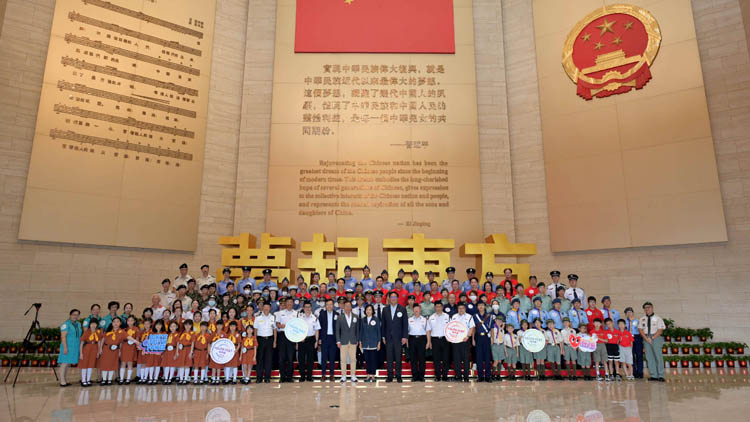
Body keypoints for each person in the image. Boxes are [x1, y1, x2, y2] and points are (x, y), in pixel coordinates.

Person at [381, 291, 408, 382]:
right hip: (388, 337)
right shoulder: (385, 309)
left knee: (398, 357)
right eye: (391, 297)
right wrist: (383, 336)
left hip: (399, 337)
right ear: (389, 299)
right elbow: (383, 324)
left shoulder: (402, 309)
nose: (393, 299)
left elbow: (405, 324)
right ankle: (390, 376)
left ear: (397, 298)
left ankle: (398, 375)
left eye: (395, 297)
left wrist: (405, 336)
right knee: (389, 357)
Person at [638, 301, 666, 382]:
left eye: (648, 307)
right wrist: (646, 338)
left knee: (658, 357)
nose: (647, 309)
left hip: (656, 338)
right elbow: (640, 329)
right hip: (646, 338)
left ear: (652, 308)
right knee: (649, 357)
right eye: (645, 308)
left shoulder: (658, 318)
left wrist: (652, 337)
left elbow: (660, 330)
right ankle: (654, 375)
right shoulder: (642, 319)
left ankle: (661, 375)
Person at [450, 302, 475, 382]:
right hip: (456, 341)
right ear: (457, 309)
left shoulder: (469, 317)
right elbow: (450, 327)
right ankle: (458, 376)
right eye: (459, 308)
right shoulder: (454, 316)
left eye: (462, 308)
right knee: (456, 359)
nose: (461, 310)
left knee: (466, 359)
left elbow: (472, 328)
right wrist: (451, 337)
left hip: (465, 341)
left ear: (465, 309)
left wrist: (468, 336)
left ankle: (466, 377)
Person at [336, 300, 360, 383]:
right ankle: (343, 376)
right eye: (346, 306)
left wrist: (357, 339)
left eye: (349, 306)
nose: (347, 307)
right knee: (343, 359)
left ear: (351, 307)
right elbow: (337, 330)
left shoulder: (356, 317)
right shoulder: (340, 317)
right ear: (343, 307)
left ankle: (353, 375)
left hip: (353, 341)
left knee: (353, 359)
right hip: (343, 341)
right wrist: (338, 341)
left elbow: (357, 329)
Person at [426, 301, 450, 381]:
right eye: (437, 307)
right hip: (435, 340)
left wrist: (450, 338)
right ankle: (437, 376)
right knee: (436, 359)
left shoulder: (447, 316)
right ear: (435, 308)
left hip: (445, 339)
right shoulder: (431, 317)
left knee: (446, 358)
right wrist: (429, 342)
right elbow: (428, 330)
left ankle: (445, 376)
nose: (438, 308)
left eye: (440, 306)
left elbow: (450, 328)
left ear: (442, 307)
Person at [275, 297, 297, 382]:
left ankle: (290, 377)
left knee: (290, 358)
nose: (289, 304)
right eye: (288, 302)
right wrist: (280, 325)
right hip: (282, 336)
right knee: (282, 358)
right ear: (285, 303)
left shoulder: (296, 313)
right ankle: (282, 377)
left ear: (293, 304)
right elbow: (277, 324)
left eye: (291, 302)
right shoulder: (280, 313)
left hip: (292, 336)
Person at [57, 308, 81, 387]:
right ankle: (62, 381)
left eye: (77, 315)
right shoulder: (66, 324)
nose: (75, 316)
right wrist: (65, 347)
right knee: (64, 363)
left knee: (68, 364)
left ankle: (65, 380)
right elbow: (63, 336)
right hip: (67, 346)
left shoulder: (78, 324)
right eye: (74, 314)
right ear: (70, 315)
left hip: (75, 347)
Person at [298, 301, 321, 382]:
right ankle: (302, 376)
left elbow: (317, 330)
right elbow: (297, 330)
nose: (307, 309)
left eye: (309, 307)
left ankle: (309, 376)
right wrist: (299, 339)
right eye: (306, 307)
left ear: (311, 308)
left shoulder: (315, 318)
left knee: (310, 359)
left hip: (311, 340)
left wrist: (316, 341)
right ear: (303, 308)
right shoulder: (300, 318)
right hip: (301, 340)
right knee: (301, 359)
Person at [255, 303, 276, 383]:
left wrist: (275, 341)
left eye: (268, 307)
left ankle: (267, 377)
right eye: (265, 307)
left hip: (269, 339)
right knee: (259, 359)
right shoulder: (258, 318)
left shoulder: (273, 317)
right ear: (262, 308)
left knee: (268, 359)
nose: (266, 309)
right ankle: (259, 377)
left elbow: (274, 330)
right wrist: (255, 341)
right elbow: (255, 330)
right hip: (260, 340)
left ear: (270, 308)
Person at [359, 304, 381, 382]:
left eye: (370, 310)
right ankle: (368, 375)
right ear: (365, 311)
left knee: (373, 360)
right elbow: (361, 331)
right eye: (367, 310)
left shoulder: (376, 319)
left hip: (373, 343)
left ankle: (373, 376)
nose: (368, 311)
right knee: (367, 360)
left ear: (372, 311)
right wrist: (360, 341)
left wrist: (379, 343)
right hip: (365, 343)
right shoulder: (363, 320)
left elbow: (378, 332)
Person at [473, 301, 493, 382]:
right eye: (479, 305)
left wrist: (492, 339)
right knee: (479, 357)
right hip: (478, 337)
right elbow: (473, 328)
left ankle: (488, 376)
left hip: (486, 337)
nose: (481, 307)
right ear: (477, 307)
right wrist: (473, 339)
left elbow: (492, 328)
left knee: (488, 357)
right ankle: (480, 376)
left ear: (485, 306)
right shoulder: (475, 316)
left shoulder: (489, 316)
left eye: (482, 305)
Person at [318, 298, 338, 381]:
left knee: (332, 357)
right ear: (325, 306)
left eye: (331, 304)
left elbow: (338, 328)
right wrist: (319, 338)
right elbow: (319, 327)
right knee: (324, 357)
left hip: (333, 338)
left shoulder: (337, 314)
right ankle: (323, 374)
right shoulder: (322, 314)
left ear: (333, 305)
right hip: (324, 338)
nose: (329, 306)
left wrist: (338, 339)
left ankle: (332, 374)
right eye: (327, 304)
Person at [407, 303, 428, 382]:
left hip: (422, 339)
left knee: (422, 358)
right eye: (415, 309)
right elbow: (407, 332)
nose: (416, 311)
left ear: (420, 310)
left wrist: (428, 342)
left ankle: (421, 376)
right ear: (413, 310)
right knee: (413, 359)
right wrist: (407, 342)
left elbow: (428, 331)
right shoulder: (409, 320)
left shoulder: (424, 320)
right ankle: (414, 376)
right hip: (412, 339)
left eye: (418, 309)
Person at [79, 318, 101, 387]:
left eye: (95, 324)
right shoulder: (87, 332)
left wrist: (98, 351)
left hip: (94, 349)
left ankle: (88, 380)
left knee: (91, 365)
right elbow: (82, 343)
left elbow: (99, 342)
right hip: (87, 348)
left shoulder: (98, 332)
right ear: (90, 324)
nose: (93, 325)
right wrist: (81, 353)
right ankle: (83, 380)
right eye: (92, 324)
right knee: (84, 364)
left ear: (97, 325)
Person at [624, 306, 644, 378]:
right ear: (625, 314)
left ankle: (640, 372)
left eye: (630, 312)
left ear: (633, 313)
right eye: (627, 312)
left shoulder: (637, 321)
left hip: (637, 337)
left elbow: (641, 330)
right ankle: (634, 372)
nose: (629, 314)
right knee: (631, 356)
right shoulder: (624, 322)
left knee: (639, 355)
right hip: (628, 339)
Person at [119, 315, 139, 384]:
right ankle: (121, 379)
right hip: (124, 347)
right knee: (123, 363)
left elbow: (137, 339)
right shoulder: (124, 330)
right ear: (127, 322)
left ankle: (128, 379)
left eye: (132, 320)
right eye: (128, 320)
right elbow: (121, 340)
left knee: (130, 363)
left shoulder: (136, 329)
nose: (130, 322)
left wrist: (137, 346)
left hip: (132, 348)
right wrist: (120, 350)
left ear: (134, 321)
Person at [175, 320, 195, 384]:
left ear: (191, 326)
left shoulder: (192, 333)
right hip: (181, 350)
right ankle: (181, 379)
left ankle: (185, 379)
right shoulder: (181, 333)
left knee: (187, 365)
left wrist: (191, 352)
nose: (187, 326)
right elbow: (178, 342)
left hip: (188, 349)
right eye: (186, 325)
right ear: (184, 325)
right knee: (181, 365)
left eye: (189, 325)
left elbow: (193, 343)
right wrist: (177, 351)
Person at [490, 315, 506, 381]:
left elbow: (503, 339)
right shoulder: (493, 328)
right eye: (498, 321)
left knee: (500, 360)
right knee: (496, 360)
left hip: (501, 345)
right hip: (495, 345)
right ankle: (493, 375)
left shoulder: (502, 330)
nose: (499, 322)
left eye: (501, 321)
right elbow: (491, 337)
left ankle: (498, 375)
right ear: (495, 321)